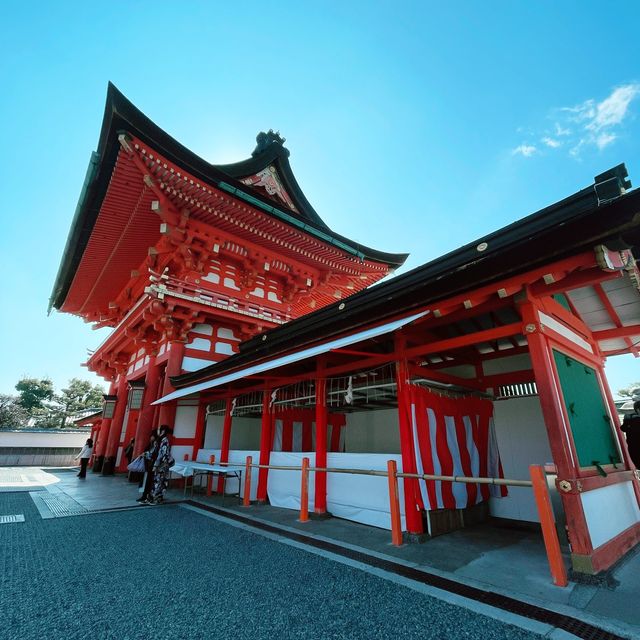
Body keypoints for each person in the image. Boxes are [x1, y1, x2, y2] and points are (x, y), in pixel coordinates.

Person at [149, 425, 174, 505]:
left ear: (163, 431)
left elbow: (163, 454)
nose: (158, 431)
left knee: (159, 481)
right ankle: (157, 497)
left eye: (159, 430)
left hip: (162, 464)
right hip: (158, 463)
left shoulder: (165, 440)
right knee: (158, 480)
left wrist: (158, 463)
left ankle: (156, 498)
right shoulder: (160, 440)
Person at [137, 433, 159, 504]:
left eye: (152, 436)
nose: (151, 438)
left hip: (151, 466)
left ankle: (147, 496)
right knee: (145, 481)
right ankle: (144, 495)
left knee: (149, 482)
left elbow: (154, 455)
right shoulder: (150, 445)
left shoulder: (156, 445)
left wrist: (146, 454)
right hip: (147, 465)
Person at [621, 401, 640, 468]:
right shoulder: (632, 419)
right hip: (635, 447)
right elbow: (623, 428)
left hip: (633, 447)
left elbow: (623, 428)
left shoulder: (629, 419)